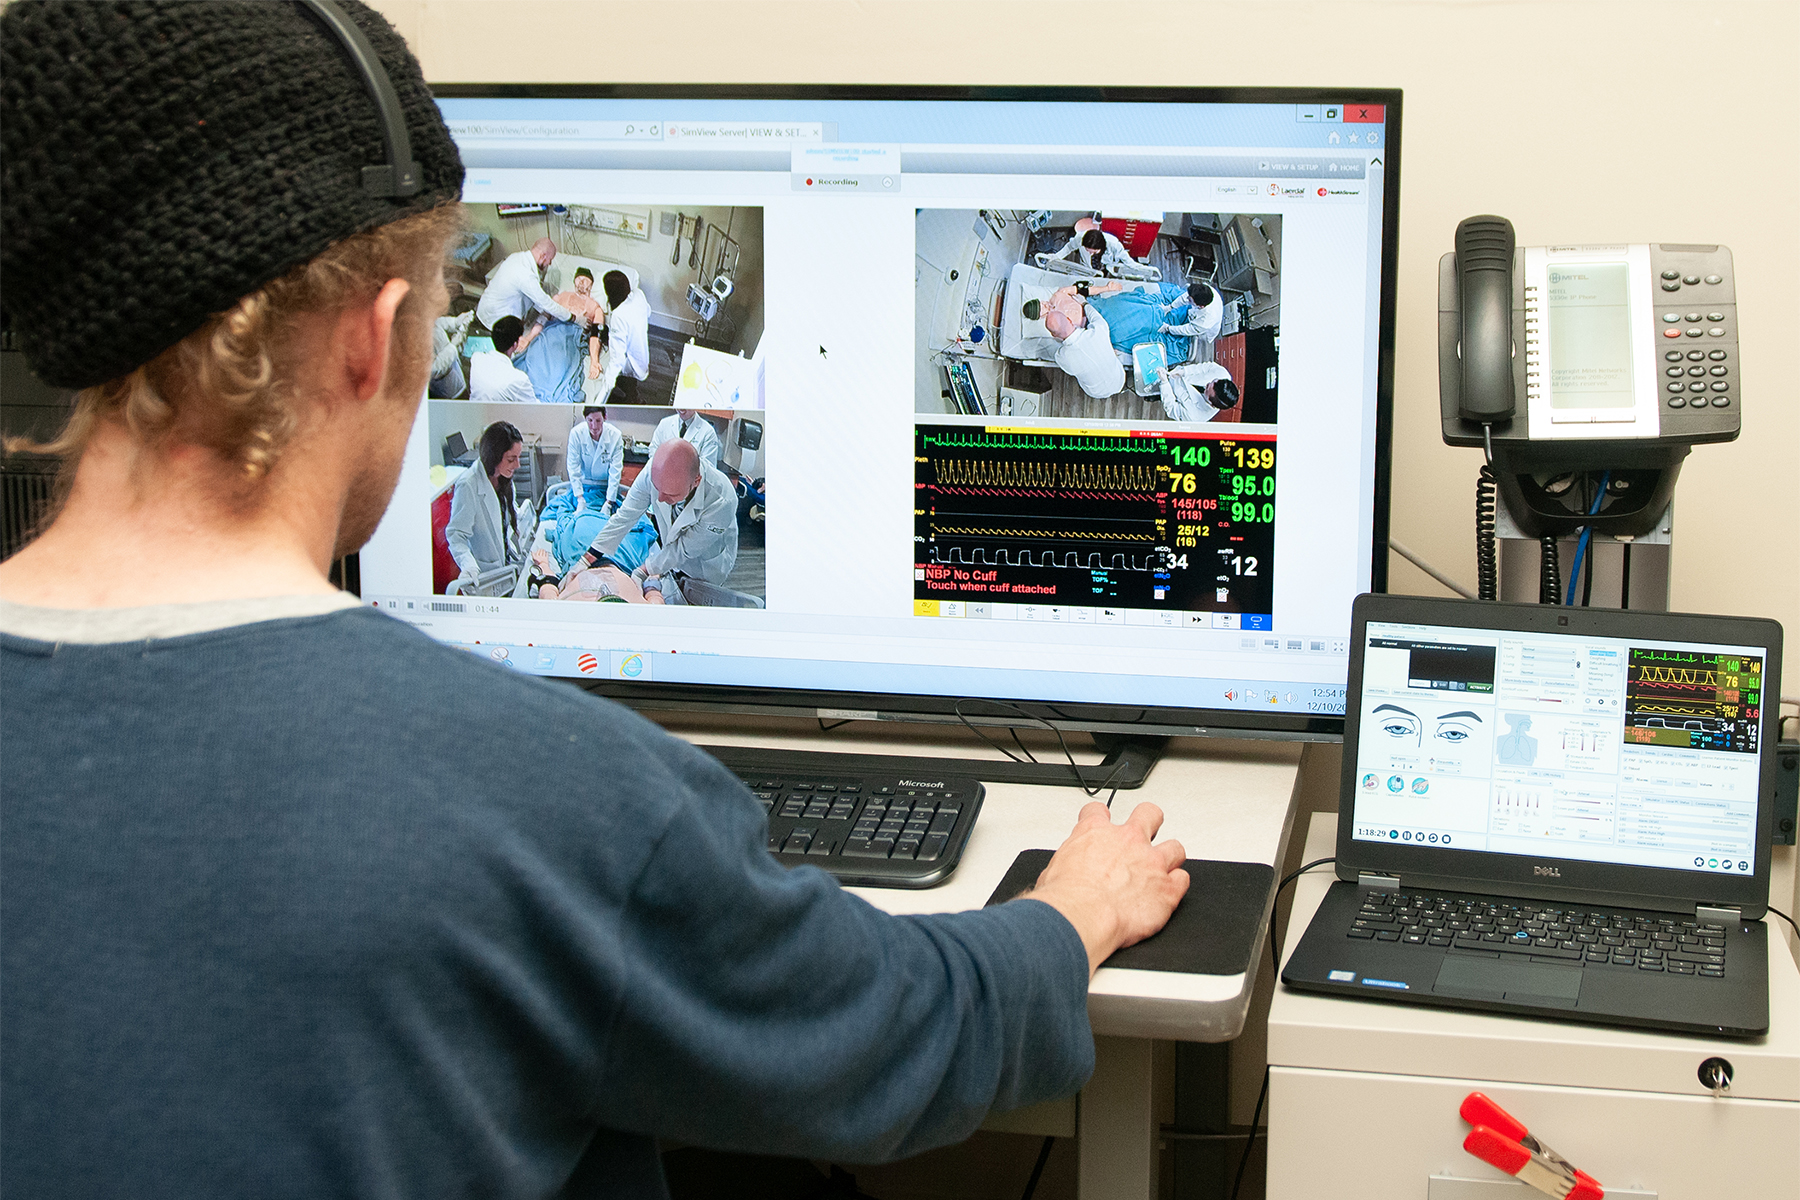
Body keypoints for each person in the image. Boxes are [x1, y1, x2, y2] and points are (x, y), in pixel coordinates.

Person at [0, 4, 1190, 1197]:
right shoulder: (553, 794)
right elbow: (892, 1041)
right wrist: (1064, 916)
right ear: (373, 342)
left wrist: (610, 570)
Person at [566, 438, 735, 604]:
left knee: (699, 601)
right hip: (671, 555)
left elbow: (682, 550)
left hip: (705, 562)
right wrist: (587, 559)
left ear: (695, 482)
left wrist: (643, 571)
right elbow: (625, 516)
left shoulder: (722, 500)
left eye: (670, 494)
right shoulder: (653, 472)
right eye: (657, 489)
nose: (660, 499)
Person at [445, 420, 527, 589]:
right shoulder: (468, 485)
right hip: (485, 574)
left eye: (518, 458)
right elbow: (456, 535)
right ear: (494, 455)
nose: (517, 465)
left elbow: (504, 521)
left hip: (506, 566)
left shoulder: (504, 479)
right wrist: (468, 566)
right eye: (512, 459)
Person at [476, 235, 572, 354]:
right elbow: (546, 303)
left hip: (489, 308)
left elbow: (536, 299)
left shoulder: (516, 257)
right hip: (494, 318)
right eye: (550, 260)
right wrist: (571, 317)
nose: (550, 263)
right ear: (543, 256)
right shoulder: (525, 275)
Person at [1042, 299, 1126, 399]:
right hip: (1120, 379)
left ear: (1053, 335)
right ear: (1069, 319)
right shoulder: (1098, 330)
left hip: (1097, 393)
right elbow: (1095, 316)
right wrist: (1085, 303)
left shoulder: (1062, 357)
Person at [602, 268, 650, 401]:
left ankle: (627, 393)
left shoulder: (618, 315)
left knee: (606, 363)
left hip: (633, 363)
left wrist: (607, 384)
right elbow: (648, 312)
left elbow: (617, 359)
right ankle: (630, 392)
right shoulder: (638, 294)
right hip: (643, 355)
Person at [566, 403, 624, 513]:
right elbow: (573, 466)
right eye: (590, 420)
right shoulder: (576, 433)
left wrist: (609, 503)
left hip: (604, 489)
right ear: (585, 419)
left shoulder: (615, 436)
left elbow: (615, 471)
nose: (594, 426)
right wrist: (580, 499)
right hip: (583, 488)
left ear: (605, 418)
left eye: (598, 420)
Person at [468, 314, 539, 403]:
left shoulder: (476, 359)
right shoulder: (519, 380)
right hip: (499, 416)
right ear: (515, 345)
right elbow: (533, 408)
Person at [1049, 216, 1135, 275]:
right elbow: (1068, 248)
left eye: (1092, 251)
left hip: (1106, 265)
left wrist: (1142, 270)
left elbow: (1128, 261)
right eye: (1087, 250)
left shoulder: (1114, 244)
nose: (1089, 253)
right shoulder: (1080, 238)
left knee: (1103, 274)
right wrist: (1056, 256)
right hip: (1087, 268)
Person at [1160, 361, 1240, 422]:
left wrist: (1164, 383)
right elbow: (1205, 367)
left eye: (1208, 388)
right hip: (1176, 372)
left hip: (1166, 389)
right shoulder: (1223, 374)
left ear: (1211, 402)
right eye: (1213, 381)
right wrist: (1184, 371)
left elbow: (1171, 407)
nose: (1208, 383)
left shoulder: (1194, 417)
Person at [648, 405, 723, 468]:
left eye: (686, 402)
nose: (682, 408)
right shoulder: (664, 424)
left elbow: (708, 468)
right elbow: (653, 451)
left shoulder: (708, 432)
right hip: (664, 479)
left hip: (692, 483)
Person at [1159, 281, 1225, 344]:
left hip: (1205, 330)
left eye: (1190, 300)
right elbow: (1184, 298)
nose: (1187, 298)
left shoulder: (1205, 321)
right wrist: (1170, 307)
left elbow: (1187, 329)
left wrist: (1168, 328)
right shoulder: (1202, 290)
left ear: (1201, 306)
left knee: (1193, 334)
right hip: (1199, 309)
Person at [429, 310, 473, 398]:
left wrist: (458, 321)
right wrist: (452, 346)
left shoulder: (427, 321)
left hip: (455, 375)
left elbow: (440, 323)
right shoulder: (415, 341)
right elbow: (434, 369)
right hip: (447, 390)